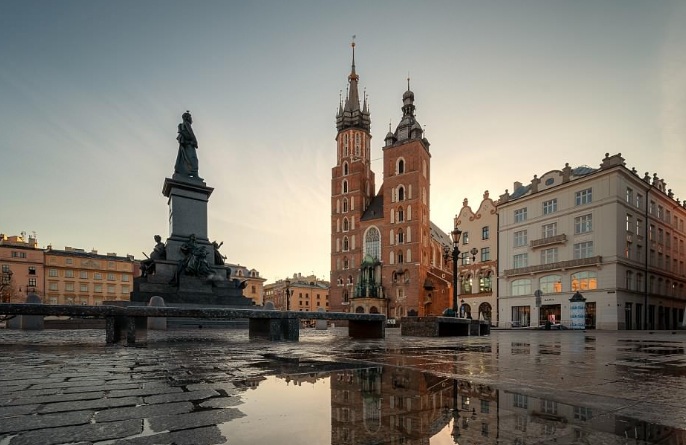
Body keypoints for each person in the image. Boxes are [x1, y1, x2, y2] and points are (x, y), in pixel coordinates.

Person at [174, 111, 201, 179]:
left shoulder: (180, 125)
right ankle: (195, 174)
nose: (191, 119)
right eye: (190, 117)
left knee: (184, 158)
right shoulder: (186, 124)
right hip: (189, 144)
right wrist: (195, 142)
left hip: (184, 144)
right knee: (193, 159)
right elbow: (191, 133)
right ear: (187, 118)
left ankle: (184, 172)